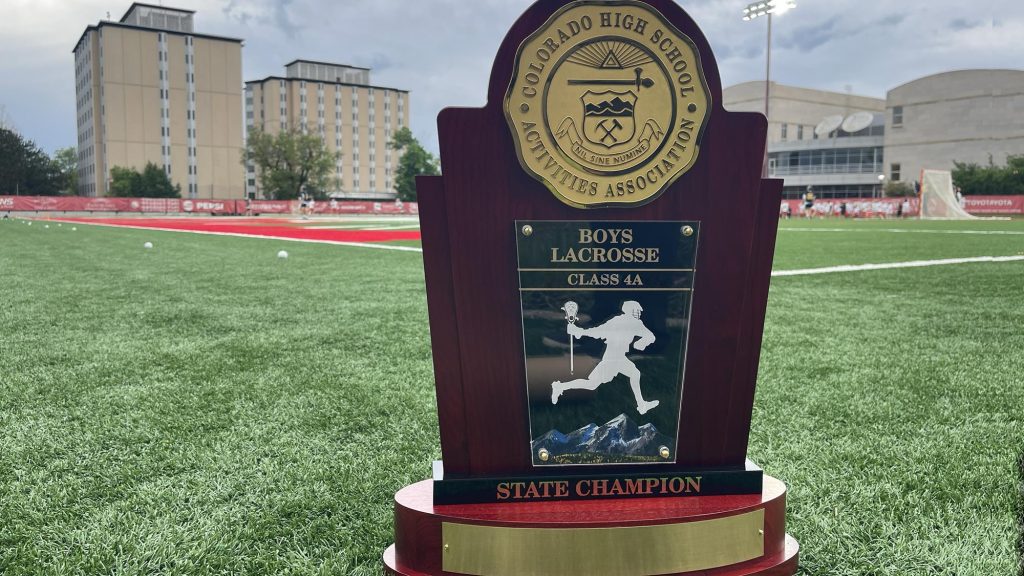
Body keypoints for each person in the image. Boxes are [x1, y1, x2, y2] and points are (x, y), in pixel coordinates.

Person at [551, 301, 660, 415]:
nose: (638, 313)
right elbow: (599, 331)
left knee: (634, 374)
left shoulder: (637, 323)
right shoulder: (617, 321)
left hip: (619, 357)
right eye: (636, 310)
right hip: (612, 357)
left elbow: (650, 336)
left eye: (639, 311)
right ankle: (560, 386)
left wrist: (642, 342)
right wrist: (580, 332)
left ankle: (641, 405)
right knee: (592, 384)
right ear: (628, 310)